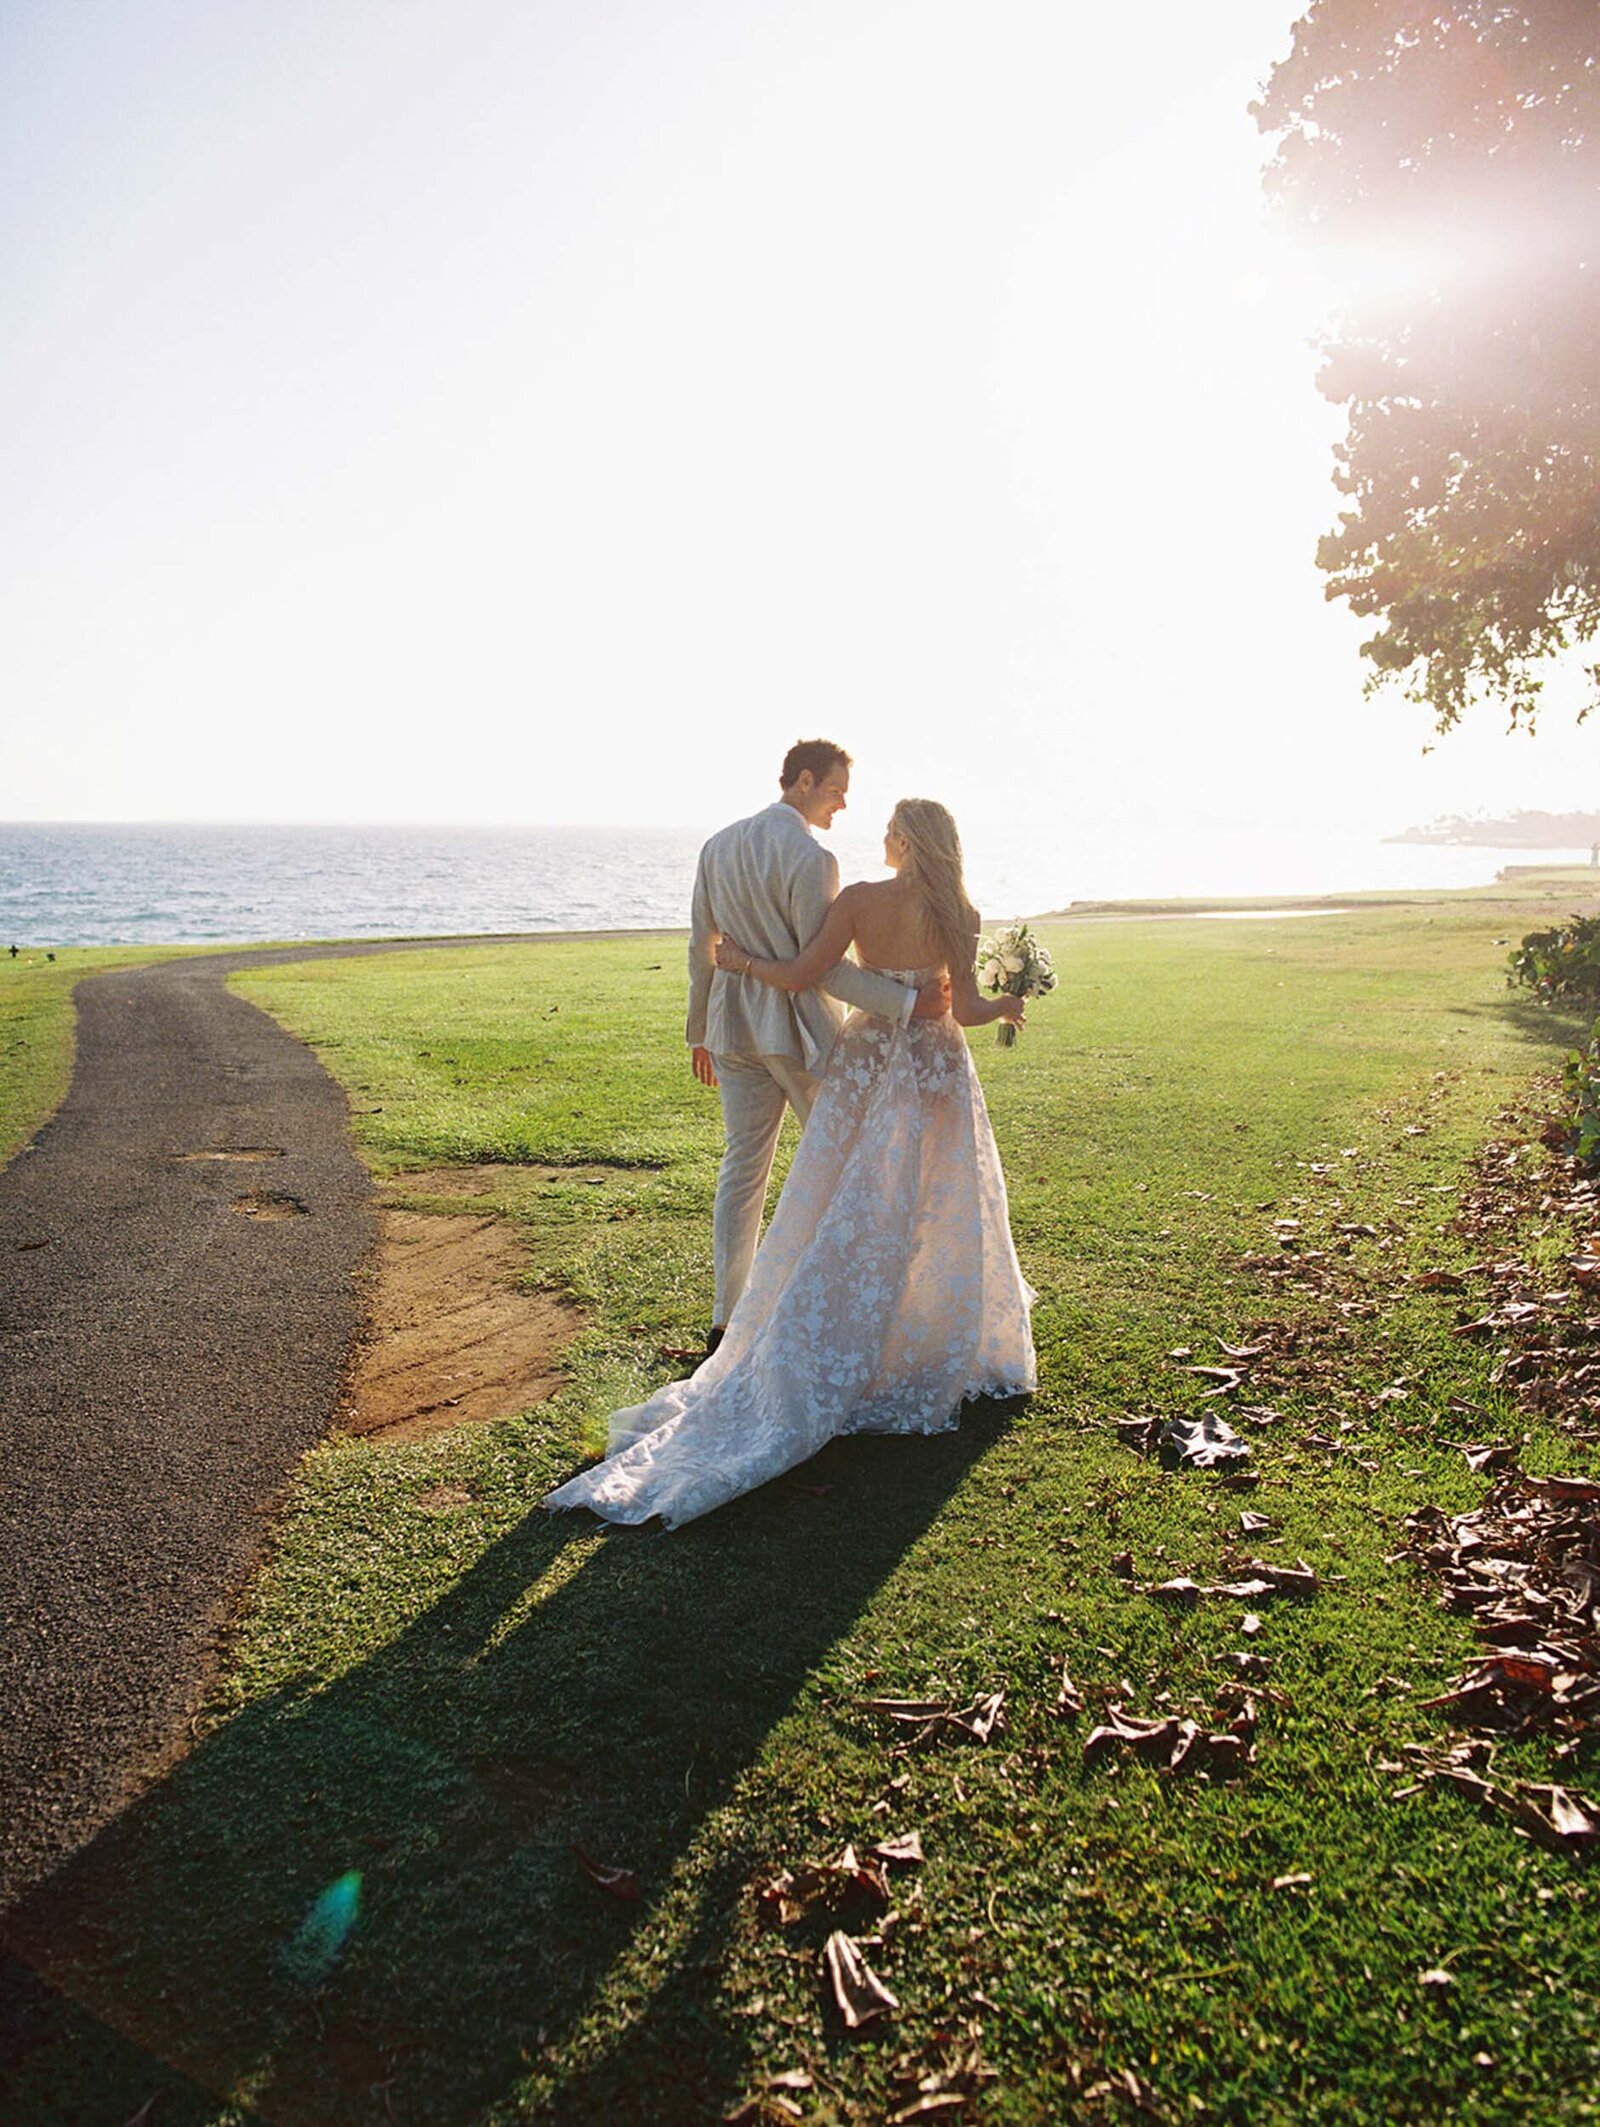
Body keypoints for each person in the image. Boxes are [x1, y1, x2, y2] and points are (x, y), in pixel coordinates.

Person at [544, 796, 1035, 1530]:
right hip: (937, 1066)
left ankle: (824, 1321)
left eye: (889, 828)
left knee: (850, 1198)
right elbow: (962, 1007)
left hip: (869, 1059)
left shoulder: (862, 899)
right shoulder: (961, 911)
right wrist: (1008, 1007)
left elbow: (808, 972)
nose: (879, 833)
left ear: (902, 839)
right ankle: (921, 1330)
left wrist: (739, 960)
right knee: (933, 1198)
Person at [681, 739, 947, 1356]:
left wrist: (699, 1029)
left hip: (731, 1029)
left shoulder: (717, 846)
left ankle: (728, 1317)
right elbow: (820, 970)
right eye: (835, 790)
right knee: (840, 1170)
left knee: (742, 1170)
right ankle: (844, 1304)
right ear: (802, 782)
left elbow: (702, 945)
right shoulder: (811, 857)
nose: (844, 804)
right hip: (797, 1034)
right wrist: (908, 1003)